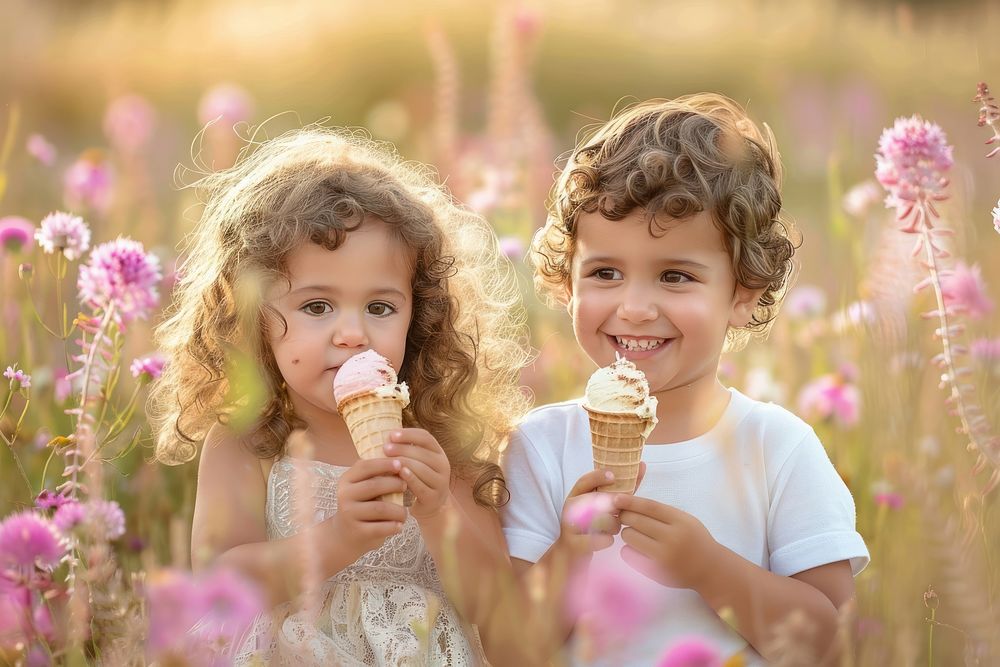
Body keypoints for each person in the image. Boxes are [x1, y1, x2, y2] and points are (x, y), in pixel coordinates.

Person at [500, 94, 870, 665]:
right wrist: (570, 552)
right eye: (605, 272)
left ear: (742, 293)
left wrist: (709, 569)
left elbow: (827, 641)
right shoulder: (541, 446)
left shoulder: (777, 447)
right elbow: (509, 649)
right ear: (567, 282)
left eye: (675, 275)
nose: (636, 307)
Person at [149, 127, 531, 665]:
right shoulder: (248, 443)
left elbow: (499, 614)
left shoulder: (443, 444)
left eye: (379, 308)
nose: (352, 333)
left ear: (417, 317)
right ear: (258, 318)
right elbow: (219, 587)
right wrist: (335, 540)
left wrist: (440, 510)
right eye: (317, 307)